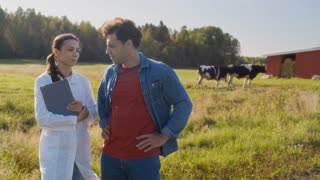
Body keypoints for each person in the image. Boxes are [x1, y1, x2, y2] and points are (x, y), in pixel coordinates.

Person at [97, 18, 193, 180]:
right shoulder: (110, 73)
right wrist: (104, 121)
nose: (107, 51)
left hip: (143, 159)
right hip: (110, 156)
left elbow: (184, 104)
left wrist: (163, 136)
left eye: (111, 46)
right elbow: (101, 97)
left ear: (128, 44)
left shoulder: (160, 71)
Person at [34, 33, 99, 180]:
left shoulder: (83, 82)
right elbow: (43, 119)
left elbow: (93, 114)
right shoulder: (44, 81)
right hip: (56, 151)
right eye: (70, 50)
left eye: (77, 50)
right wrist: (75, 119)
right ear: (56, 52)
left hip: (79, 150)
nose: (75, 54)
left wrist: (84, 111)